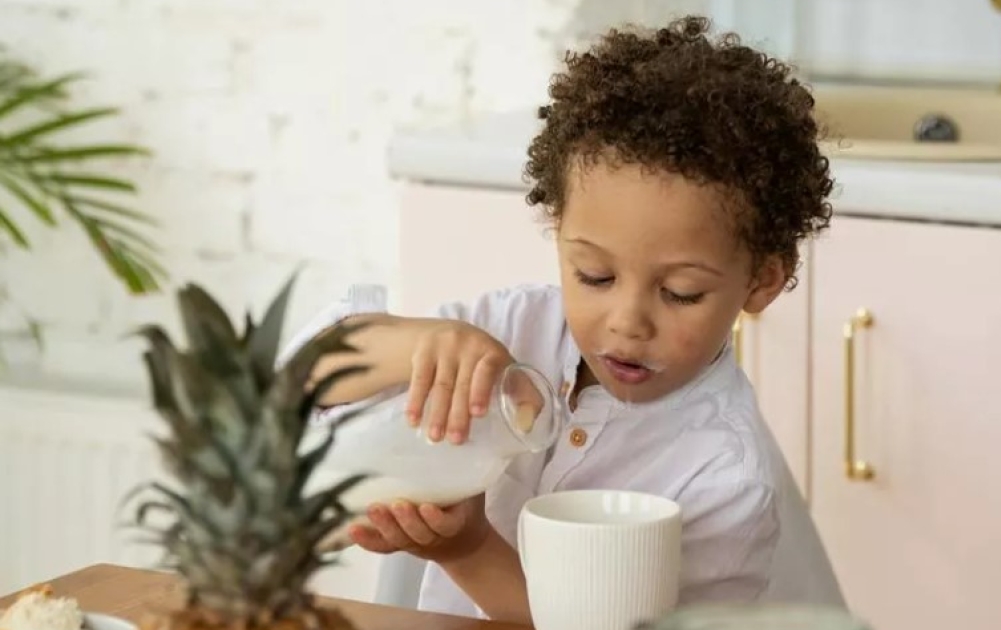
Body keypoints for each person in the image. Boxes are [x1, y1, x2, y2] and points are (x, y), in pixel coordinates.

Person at [286, 14, 844, 625]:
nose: (627, 322)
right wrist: (418, 344)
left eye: (680, 293)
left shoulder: (724, 477)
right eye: (595, 277)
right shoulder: (509, 323)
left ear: (761, 281)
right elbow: (293, 382)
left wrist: (467, 550)